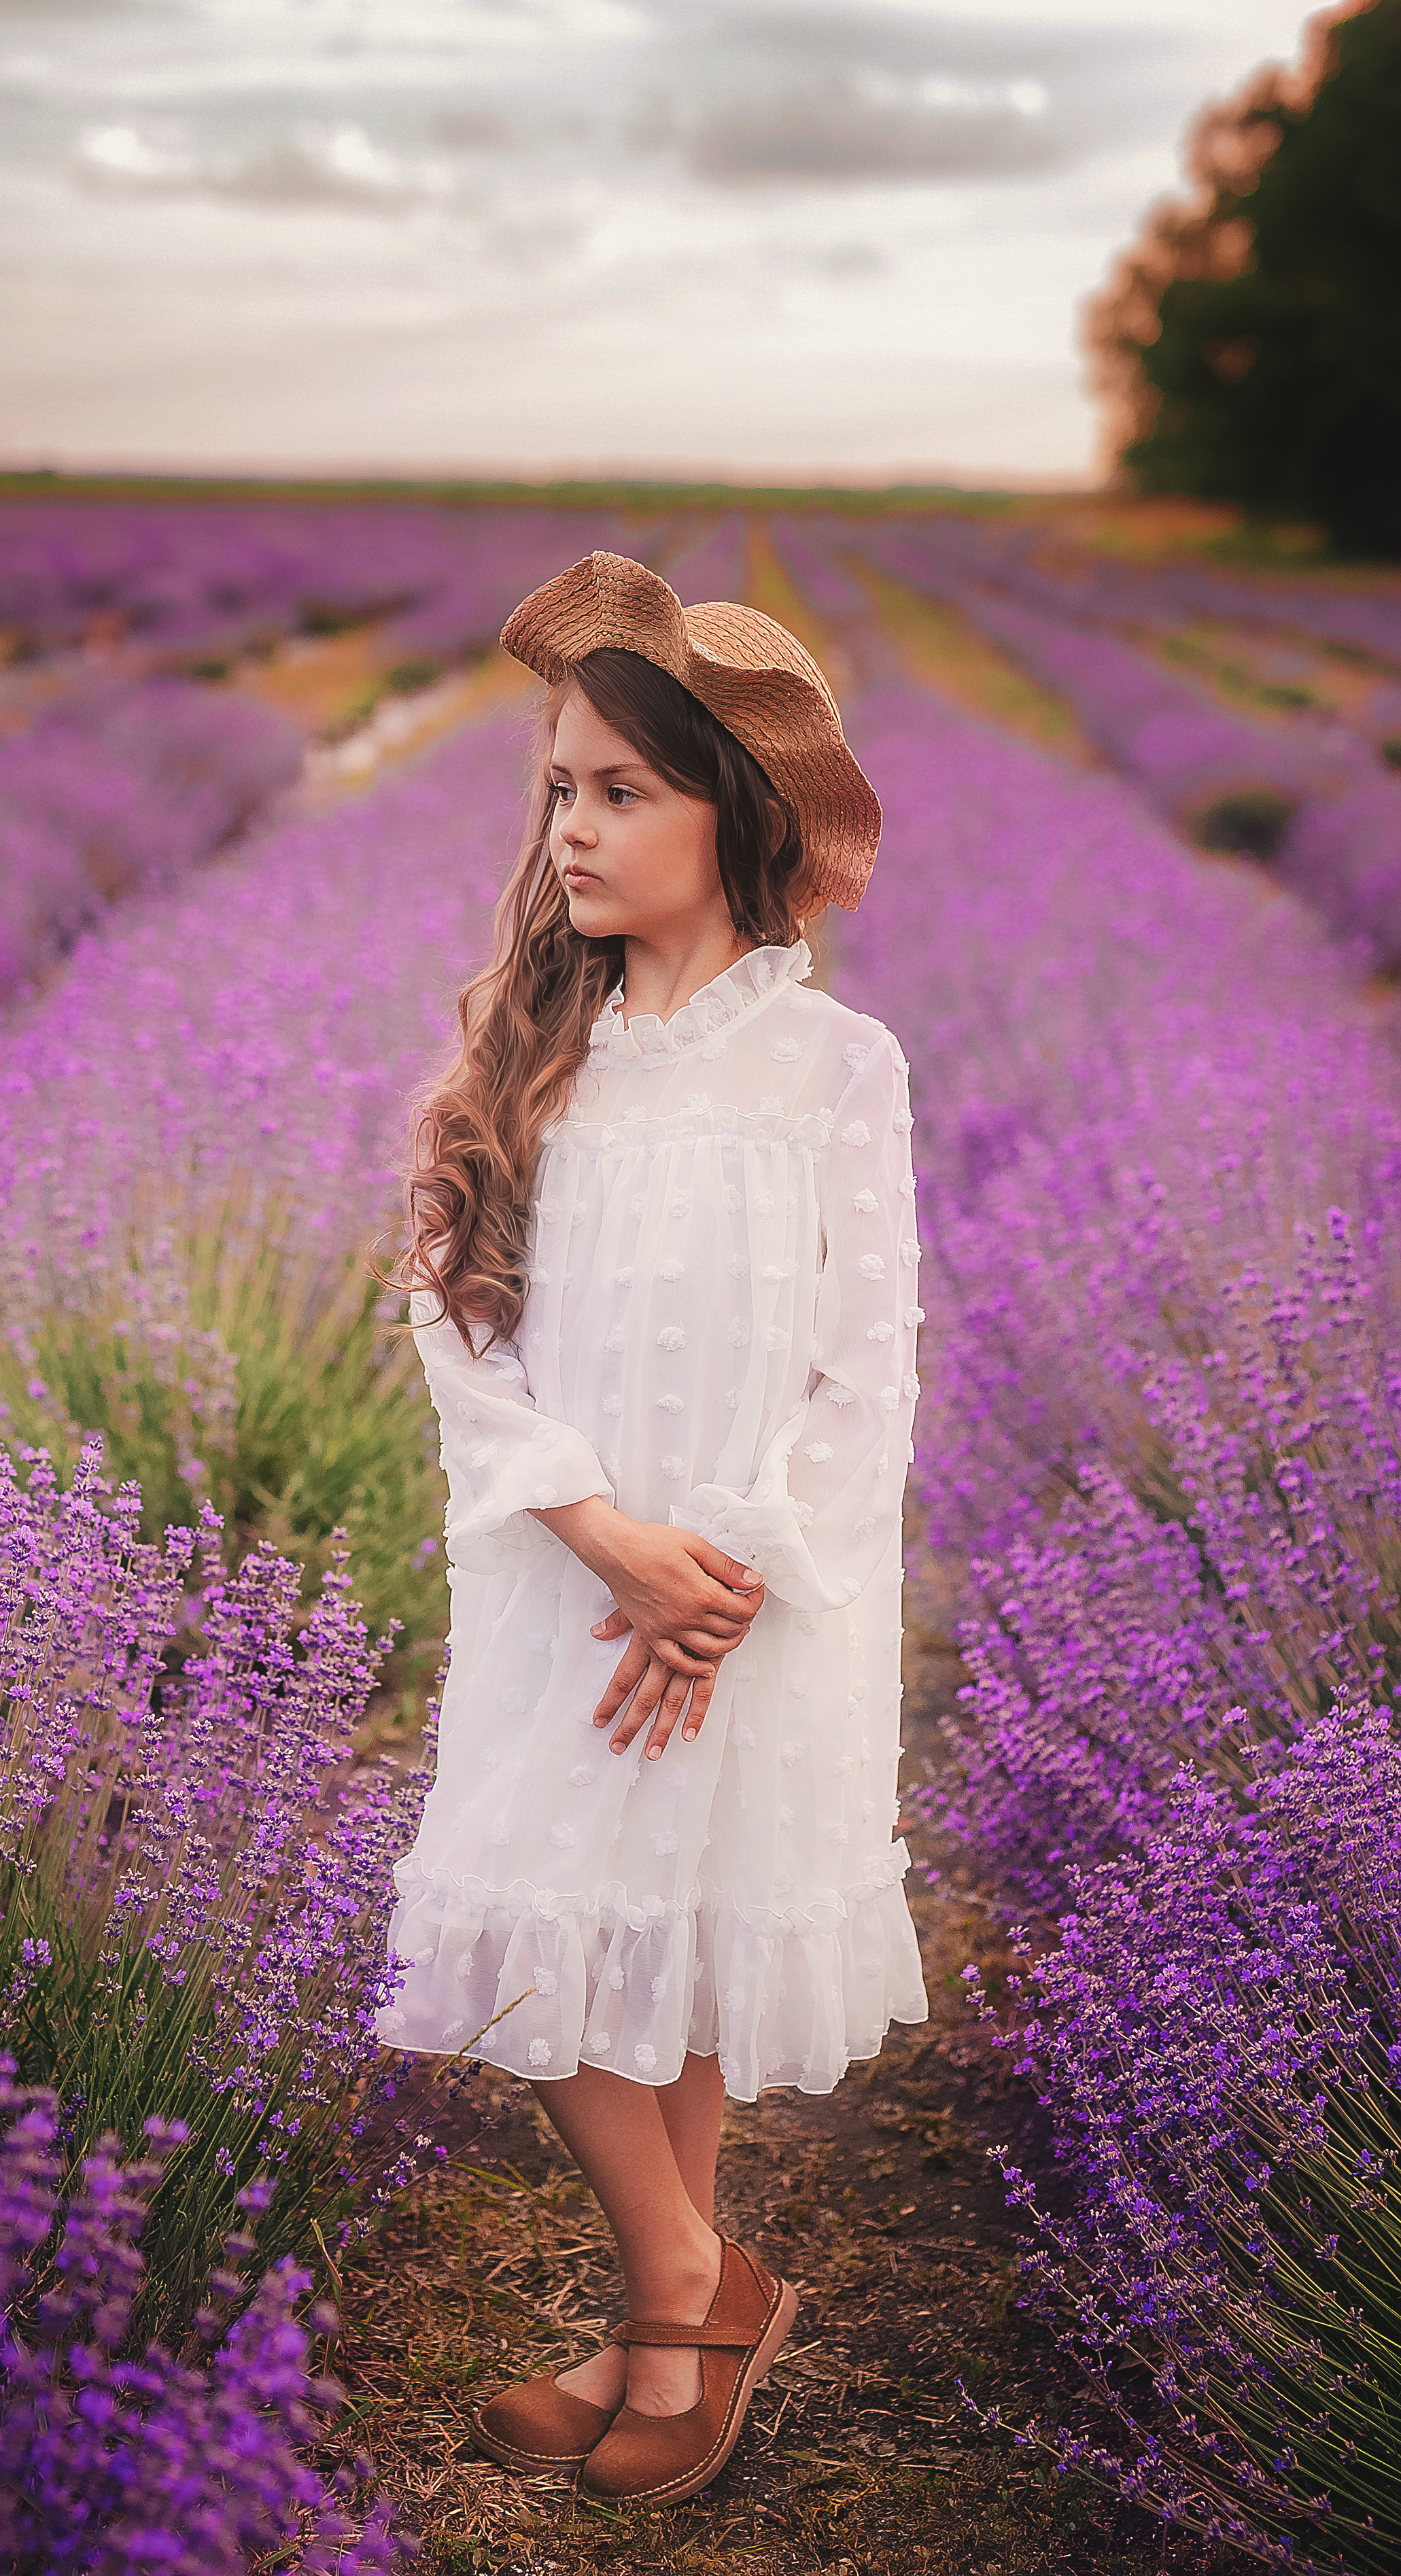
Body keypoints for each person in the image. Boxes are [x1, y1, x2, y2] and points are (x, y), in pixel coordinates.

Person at [377, 549, 928, 2510]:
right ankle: (700, 2276)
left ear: (732, 816)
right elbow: (451, 1323)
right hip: (566, 1578)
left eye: (623, 789)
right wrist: (599, 1533)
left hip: (751, 1600)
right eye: (558, 789)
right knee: (533, 1933)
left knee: (671, 1947)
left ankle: (652, 2333)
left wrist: (728, 1576)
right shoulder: (536, 1053)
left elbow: (869, 1368)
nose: (576, 827)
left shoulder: (833, 1071)